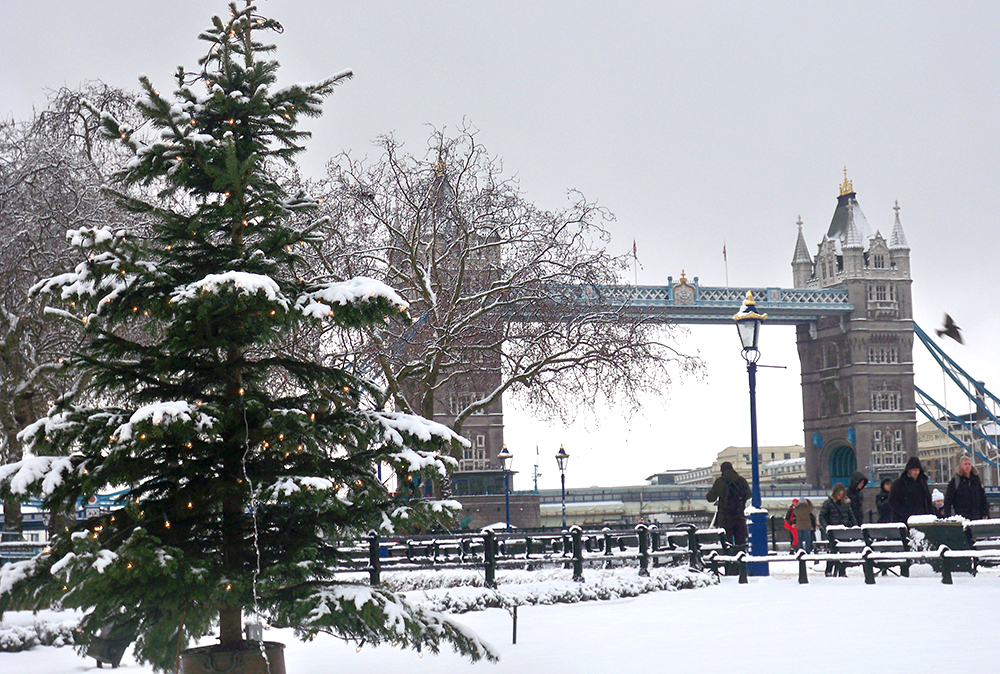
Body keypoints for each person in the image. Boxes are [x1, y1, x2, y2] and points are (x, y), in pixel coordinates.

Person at [706, 461, 752, 547]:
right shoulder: (741, 481)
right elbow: (749, 495)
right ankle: (741, 557)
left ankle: (729, 558)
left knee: (727, 543)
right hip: (739, 516)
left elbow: (710, 498)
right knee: (741, 542)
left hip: (725, 517)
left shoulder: (720, 482)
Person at [819, 484, 856, 576]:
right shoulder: (828, 503)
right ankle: (829, 570)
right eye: (839, 495)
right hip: (833, 531)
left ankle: (841, 571)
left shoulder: (845, 504)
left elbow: (851, 516)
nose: (840, 497)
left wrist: (854, 526)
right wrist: (827, 527)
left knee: (842, 551)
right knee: (834, 550)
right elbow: (822, 516)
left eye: (842, 495)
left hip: (843, 531)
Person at [888, 456, 935, 523]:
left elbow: (928, 501)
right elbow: (892, 502)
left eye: (917, 470)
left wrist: (930, 515)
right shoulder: (899, 484)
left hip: (922, 519)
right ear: (909, 470)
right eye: (914, 470)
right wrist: (905, 513)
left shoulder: (923, 484)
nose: (916, 472)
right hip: (904, 520)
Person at [943, 455, 990, 520]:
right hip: (962, 518)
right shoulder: (955, 481)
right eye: (965, 464)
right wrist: (948, 516)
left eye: (969, 464)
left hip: (977, 517)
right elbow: (948, 500)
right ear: (960, 466)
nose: (967, 466)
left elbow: (983, 497)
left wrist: (985, 513)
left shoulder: (976, 480)